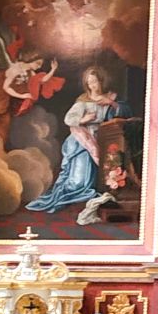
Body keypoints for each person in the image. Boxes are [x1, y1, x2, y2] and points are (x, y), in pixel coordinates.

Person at [26, 66, 124, 214]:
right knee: (78, 181)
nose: (92, 86)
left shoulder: (110, 98)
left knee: (98, 176)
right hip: (82, 141)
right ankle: (76, 195)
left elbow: (122, 115)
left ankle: (94, 195)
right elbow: (69, 119)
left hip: (102, 138)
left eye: (95, 82)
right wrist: (84, 119)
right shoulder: (82, 101)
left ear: (101, 82)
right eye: (89, 82)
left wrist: (111, 104)